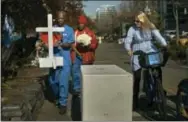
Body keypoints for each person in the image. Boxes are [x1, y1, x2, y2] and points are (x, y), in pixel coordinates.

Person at [124, 11, 168, 111]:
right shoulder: (132, 29)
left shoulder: (150, 26)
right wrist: (128, 49)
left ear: (143, 21)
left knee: (157, 67)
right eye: (135, 21)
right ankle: (135, 101)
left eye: (138, 21)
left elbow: (158, 36)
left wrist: (164, 45)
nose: (136, 23)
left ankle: (159, 90)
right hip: (138, 50)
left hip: (150, 48)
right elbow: (128, 40)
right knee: (137, 76)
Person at [36, 10, 74, 115]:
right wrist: (45, 45)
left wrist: (60, 44)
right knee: (53, 81)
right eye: (59, 18)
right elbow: (45, 42)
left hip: (65, 60)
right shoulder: (51, 29)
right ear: (56, 18)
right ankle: (57, 96)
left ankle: (63, 103)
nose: (60, 20)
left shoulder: (69, 30)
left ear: (65, 18)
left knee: (63, 82)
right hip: (54, 59)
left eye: (62, 18)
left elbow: (70, 44)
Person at [71, 15, 98, 94]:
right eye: (79, 23)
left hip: (87, 56)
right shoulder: (75, 33)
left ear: (85, 24)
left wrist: (88, 46)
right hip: (77, 55)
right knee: (76, 72)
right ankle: (77, 89)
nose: (80, 25)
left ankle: (88, 88)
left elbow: (95, 44)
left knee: (87, 73)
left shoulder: (90, 32)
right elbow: (72, 44)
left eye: (82, 23)